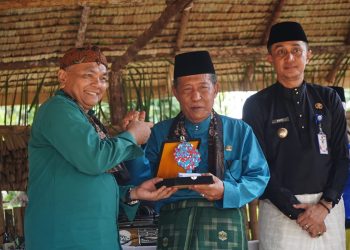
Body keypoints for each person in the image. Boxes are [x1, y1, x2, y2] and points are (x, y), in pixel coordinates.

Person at [24, 45, 177, 250]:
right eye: (89, 75)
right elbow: (94, 159)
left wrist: (132, 194)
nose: (98, 85)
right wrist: (132, 136)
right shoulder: (58, 109)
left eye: (103, 78)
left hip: (93, 236)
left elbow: (92, 177)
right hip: (65, 238)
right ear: (63, 77)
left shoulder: (83, 116)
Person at [126, 50, 270, 249]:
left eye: (203, 87)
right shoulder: (159, 133)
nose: (196, 96)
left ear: (216, 88)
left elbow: (259, 176)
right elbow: (141, 180)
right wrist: (132, 143)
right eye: (187, 89)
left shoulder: (239, 130)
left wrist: (227, 191)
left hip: (225, 221)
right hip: (175, 222)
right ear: (175, 93)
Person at [242, 21, 349, 250]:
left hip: (327, 211)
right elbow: (257, 167)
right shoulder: (256, 105)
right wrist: (296, 212)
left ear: (308, 55)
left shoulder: (329, 99)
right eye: (280, 51)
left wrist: (324, 205)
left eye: (296, 50)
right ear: (270, 58)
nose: (289, 58)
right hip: (280, 213)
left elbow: (342, 158)